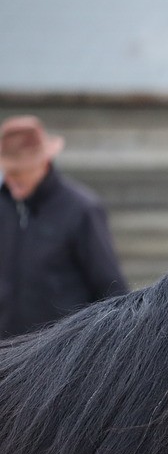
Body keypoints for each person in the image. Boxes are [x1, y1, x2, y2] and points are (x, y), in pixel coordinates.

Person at [0, 115, 128, 338]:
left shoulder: (81, 210)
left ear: (43, 163)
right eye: (7, 173)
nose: (11, 182)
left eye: (18, 172)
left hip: (59, 357)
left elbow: (111, 289)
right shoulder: (3, 205)